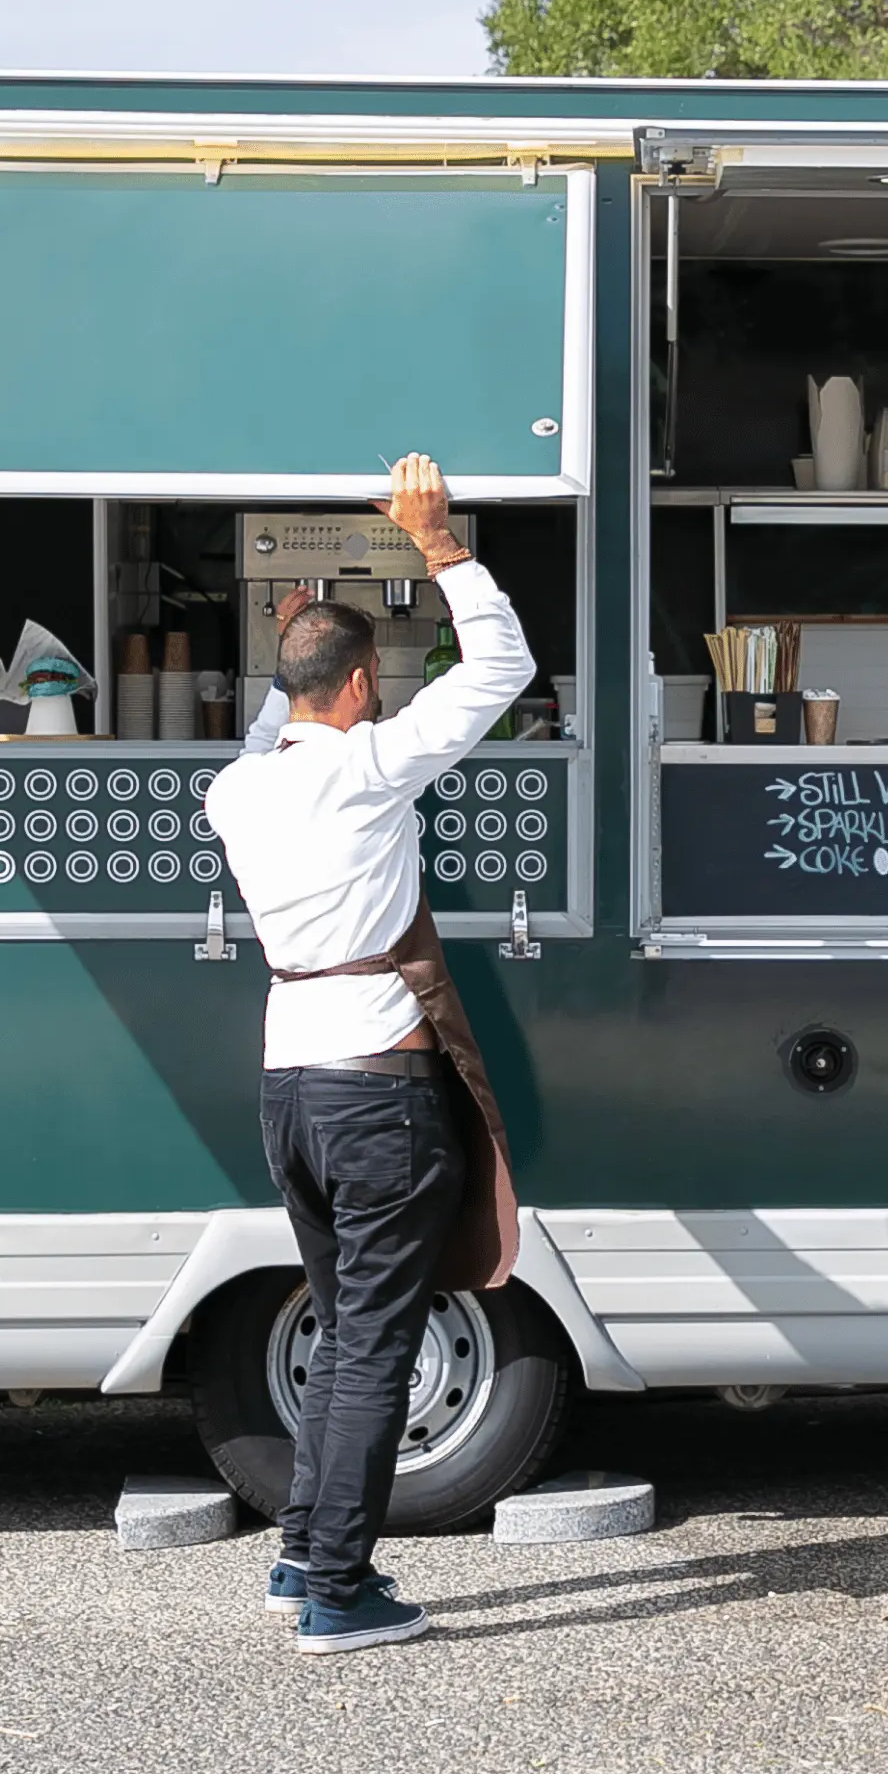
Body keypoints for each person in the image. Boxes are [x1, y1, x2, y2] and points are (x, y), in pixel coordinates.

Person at [202, 452, 533, 1657]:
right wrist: (438, 545)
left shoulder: (237, 793)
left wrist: (298, 629)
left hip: (288, 1085)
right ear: (357, 687)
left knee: (344, 1335)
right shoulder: (369, 767)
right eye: (374, 685)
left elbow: (271, 721)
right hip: (376, 1092)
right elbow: (503, 670)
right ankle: (338, 1589)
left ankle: (304, 1558)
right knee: (374, 1349)